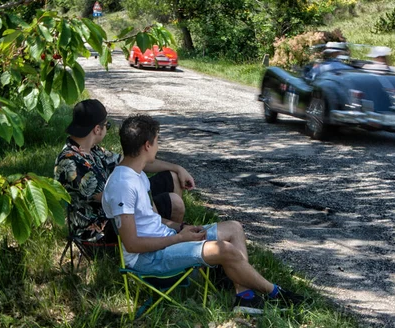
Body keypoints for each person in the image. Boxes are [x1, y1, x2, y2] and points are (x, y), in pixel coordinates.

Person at [102, 114, 307, 314]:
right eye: (156, 141)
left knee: (234, 228)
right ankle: (276, 293)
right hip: (147, 259)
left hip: (166, 240)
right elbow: (132, 244)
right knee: (224, 249)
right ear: (147, 145)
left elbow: (152, 220)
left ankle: (244, 296)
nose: (158, 146)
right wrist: (179, 239)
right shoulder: (123, 185)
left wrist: (180, 228)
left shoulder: (138, 175)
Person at [54, 99, 195, 242]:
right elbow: (114, 201)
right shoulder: (71, 162)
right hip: (103, 227)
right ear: (97, 129)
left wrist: (178, 168)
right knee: (174, 202)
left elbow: (136, 160)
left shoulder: (93, 151)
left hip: (119, 210)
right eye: (107, 125)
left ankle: (166, 234)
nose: (107, 129)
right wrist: (151, 211)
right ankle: (168, 239)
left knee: (172, 178)